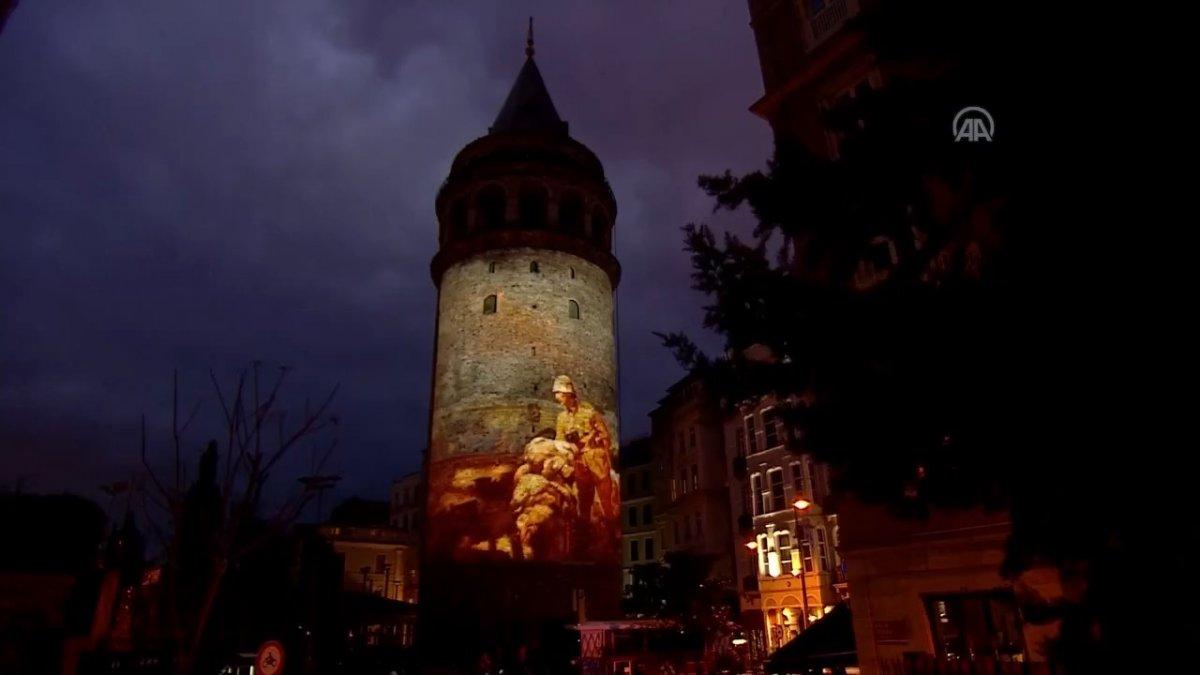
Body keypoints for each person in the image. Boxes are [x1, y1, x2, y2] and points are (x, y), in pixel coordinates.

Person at [551, 375, 616, 527]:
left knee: (606, 500)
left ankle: (611, 531)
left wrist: (598, 444)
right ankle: (586, 533)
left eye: (558, 394)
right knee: (584, 500)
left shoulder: (589, 413)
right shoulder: (561, 418)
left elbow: (605, 436)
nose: (557, 398)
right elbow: (559, 441)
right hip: (579, 461)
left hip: (596, 459)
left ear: (567, 394)